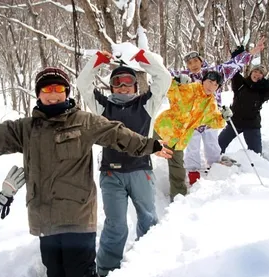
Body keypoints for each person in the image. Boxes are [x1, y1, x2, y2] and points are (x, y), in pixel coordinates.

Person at [0, 67, 173, 277]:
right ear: (38, 93)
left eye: (58, 89)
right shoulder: (27, 128)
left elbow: (117, 134)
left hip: (78, 220)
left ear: (66, 92)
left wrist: (150, 145)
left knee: (80, 272)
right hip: (45, 220)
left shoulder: (84, 122)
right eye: (47, 89)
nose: (53, 94)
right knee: (54, 272)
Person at [77, 48, 171, 277]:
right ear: (111, 87)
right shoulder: (102, 107)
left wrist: (142, 57)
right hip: (112, 174)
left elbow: (164, 78)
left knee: (148, 220)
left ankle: (148, 265)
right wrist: (98, 61)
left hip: (141, 170)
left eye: (128, 82)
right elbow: (83, 85)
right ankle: (106, 270)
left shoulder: (146, 104)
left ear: (136, 85)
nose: (123, 86)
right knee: (116, 225)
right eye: (117, 82)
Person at [173, 38, 265, 187]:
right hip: (191, 121)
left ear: (201, 61)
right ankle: (193, 174)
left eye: (195, 61)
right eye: (189, 63)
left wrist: (251, 53)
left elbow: (233, 64)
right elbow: (165, 75)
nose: (193, 65)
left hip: (211, 118)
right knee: (192, 148)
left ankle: (215, 171)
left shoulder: (215, 73)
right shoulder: (184, 77)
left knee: (212, 146)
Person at [154, 71, 230, 201]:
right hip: (162, 130)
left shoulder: (210, 104)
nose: (211, 87)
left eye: (216, 85)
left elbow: (213, 121)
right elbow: (169, 89)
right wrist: (176, 80)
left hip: (179, 141)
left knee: (178, 171)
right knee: (140, 150)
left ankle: (179, 200)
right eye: (210, 82)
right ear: (203, 80)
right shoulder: (189, 88)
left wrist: (223, 117)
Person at [218, 64, 269, 154]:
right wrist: (239, 55)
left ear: (263, 76)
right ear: (251, 72)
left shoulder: (263, 90)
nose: (257, 74)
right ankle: (216, 164)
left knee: (256, 153)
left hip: (252, 125)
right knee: (218, 145)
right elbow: (233, 70)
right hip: (235, 122)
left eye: (260, 73)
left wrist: (266, 83)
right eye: (255, 71)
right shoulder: (241, 83)